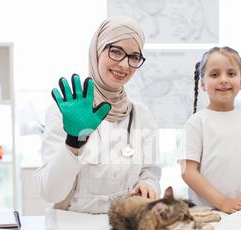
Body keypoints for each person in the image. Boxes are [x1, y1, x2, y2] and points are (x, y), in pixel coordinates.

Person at [35, 16, 161, 214]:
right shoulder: (65, 111)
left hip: (125, 227)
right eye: (116, 51)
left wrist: (148, 186)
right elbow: (50, 192)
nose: (125, 65)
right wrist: (73, 143)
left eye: (134, 57)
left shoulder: (141, 115)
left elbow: (150, 173)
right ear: (97, 50)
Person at [178, 47, 241, 215]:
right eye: (214, 74)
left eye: (231, 74)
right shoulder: (197, 123)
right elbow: (187, 171)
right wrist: (223, 202)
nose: (223, 80)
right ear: (203, 83)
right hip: (206, 213)